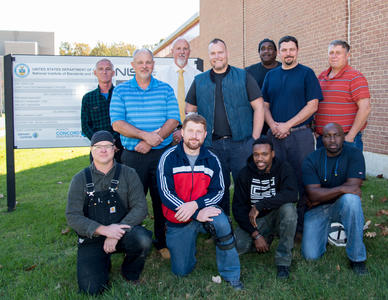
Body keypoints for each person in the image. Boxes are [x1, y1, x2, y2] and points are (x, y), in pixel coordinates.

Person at [157, 114, 243, 290]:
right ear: (182, 132)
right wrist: (195, 213)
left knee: (222, 222)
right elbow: (166, 193)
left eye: (199, 132)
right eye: (190, 131)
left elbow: (219, 191)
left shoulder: (212, 158)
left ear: (205, 135)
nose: (194, 136)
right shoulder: (168, 157)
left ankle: (231, 274)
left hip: (205, 210)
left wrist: (196, 205)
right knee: (181, 270)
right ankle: (187, 247)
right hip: (179, 217)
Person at [110, 48, 180, 259]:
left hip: (161, 154)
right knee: (133, 200)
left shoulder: (165, 89)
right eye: (140, 62)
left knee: (163, 198)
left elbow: (173, 120)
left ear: (153, 64)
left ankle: (163, 241)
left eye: (148, 62)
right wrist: (144, 136)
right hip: (133, 156)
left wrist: (151, 141)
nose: (144, 66)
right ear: (133, 66)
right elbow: (117, 123)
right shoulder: (121, 91)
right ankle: (133, 241)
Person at [66, 130, 152, 295]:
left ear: (115, 149)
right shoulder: (80, 179)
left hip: (123, 232)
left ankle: (130, 272)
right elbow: (72, 215)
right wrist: (104, 231)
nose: (103, 150)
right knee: (91, 290)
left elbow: (140, 208)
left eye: (108, 146)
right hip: (92, 237)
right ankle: (102, 261)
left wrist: (115, 232)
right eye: (98, 147)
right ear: (92, 150)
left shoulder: (129, 174)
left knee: (143, 239)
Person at [186, 38, 264, 216]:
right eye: (213, 53)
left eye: (220, 52)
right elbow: (189, 110)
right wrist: (196, 138)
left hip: (241, 143)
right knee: (216, 187)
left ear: (227, 53)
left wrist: (255, 138)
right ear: (209, 56)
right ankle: (221, 225)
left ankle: (246, 223)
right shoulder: (200, 80)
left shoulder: (243, 76)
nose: (217, 56)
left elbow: (259, 106)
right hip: (212, 145)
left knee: (244, 185)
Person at [261, 35, 323, 236]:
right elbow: (264, 105)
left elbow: (312, 105)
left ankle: (301, 227)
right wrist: (273, 126)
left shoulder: (307, 74)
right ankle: (278, 224)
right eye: (284, 49)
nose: (288, 53)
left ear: (297, 51)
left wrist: (287, 125)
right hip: (275, 136)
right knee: (275, 179)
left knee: (302, 179)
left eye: (291, 49)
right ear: (279, 52)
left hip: (300, 136)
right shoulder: (271, 76)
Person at [301, 123, 368, 275]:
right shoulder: (311, 159)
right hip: (317, 209)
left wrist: (321, 195)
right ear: (320, 138)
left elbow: (354, 189)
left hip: (342, 205)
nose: (332, 140)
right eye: (327, 136)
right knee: (310, 256)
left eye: (336, 135)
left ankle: (357, 258)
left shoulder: (354, 154)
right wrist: (342, 189)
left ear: (343, 137)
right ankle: (326, 233)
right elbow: (313, 195)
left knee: (351, 201)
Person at [232, 137, 298, 279]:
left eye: (264, 154)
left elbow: (292, 194)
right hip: (257, 222)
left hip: (277, 215)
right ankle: (266, 238)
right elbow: (238, 209)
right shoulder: (244, 174)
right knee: (239, 246)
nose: (259, 159)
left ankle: (283, 262)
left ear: (272, 154)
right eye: (256, 155)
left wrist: (260, 205)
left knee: (289, 209)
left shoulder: (283, 168)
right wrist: (255, 234)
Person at [315, 40, 371, 151]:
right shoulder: (321, 77)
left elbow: (365, 108)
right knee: (323, 169)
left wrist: (350, 136)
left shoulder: (355, 77)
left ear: (347, 55)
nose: (334, 56)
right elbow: (315, 105)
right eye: (331, 53)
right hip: (323, 140)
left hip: (345, 140)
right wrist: (316, 131)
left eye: (338, 53)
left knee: (348, 169)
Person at [81, 59, 123, 162]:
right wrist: (102, 143)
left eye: (108, 69)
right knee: (98, 178)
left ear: (113, 73)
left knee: (123, 177)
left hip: (120, 149)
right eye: (101, 69)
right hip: (98, 150)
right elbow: (85, 126)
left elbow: (127, 121)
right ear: (95, 73)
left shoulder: (121, 95)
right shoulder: (88, 98)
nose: (104, 72)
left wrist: (114, 143)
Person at [246, 38, 281, 137]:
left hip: (280, 122)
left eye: (270, 48)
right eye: (263, 49)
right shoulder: (249, 72)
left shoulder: (283, 69)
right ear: (259, 52)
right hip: (256, 123)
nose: (266, 51)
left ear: (275, 52)